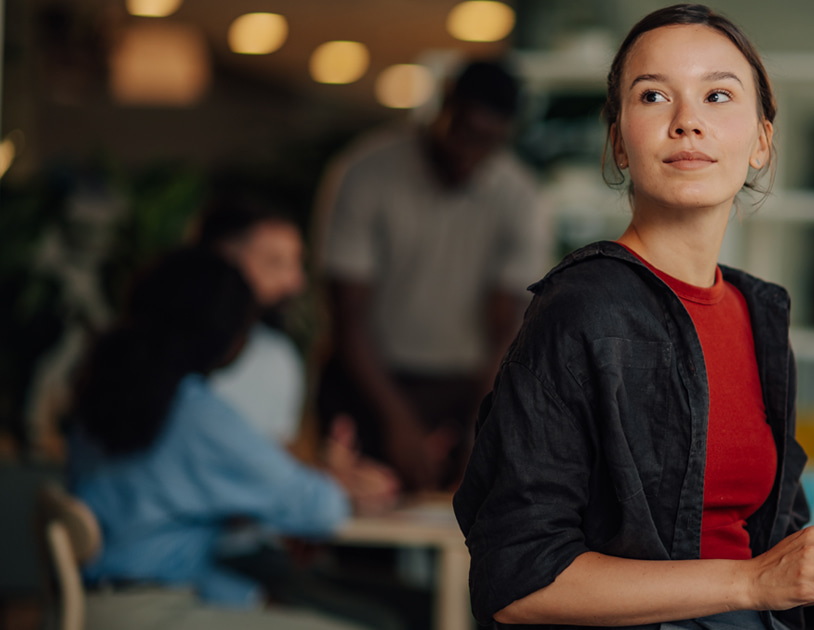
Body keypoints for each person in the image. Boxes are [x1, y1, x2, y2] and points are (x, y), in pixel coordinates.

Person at [453, 5, 814, 630]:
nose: (687, 122)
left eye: (718, 95)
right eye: (653, 96)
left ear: (760, 141)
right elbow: (518, 580)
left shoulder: (760, 312)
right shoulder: (580, 309)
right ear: (619, 139)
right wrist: (752, 582)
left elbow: (774, 540)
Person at [68, 249, 400, 630]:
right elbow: (317, 508)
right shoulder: (194, 412)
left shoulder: (104, 392)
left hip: (91, 605)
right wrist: (339, 482)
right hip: (152, 613)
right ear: (225, 334)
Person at [315, 60, 552, 491]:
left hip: (465, 391)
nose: (470, 153)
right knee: (362, 529)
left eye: (487, 142)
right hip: (368, 383)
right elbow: (347, 316)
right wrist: (399, 423)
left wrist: (483, 424)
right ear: (443, 106)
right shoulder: (365, 173)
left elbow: (508, 329)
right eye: (463, 132)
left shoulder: (520, 196)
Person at [197, 192, 308, 446]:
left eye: (297, 264)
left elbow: (272, 463)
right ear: (223, 260)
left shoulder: (279, 357)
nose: (295, 283)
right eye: (275, 263)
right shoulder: (165, 359)